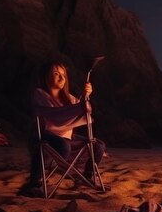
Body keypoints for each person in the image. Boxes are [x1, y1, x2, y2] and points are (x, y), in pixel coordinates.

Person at [20, 62, 106, 196]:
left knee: (98, 146)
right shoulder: (40, 94)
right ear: (46, 77)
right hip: (46, 138)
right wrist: (80, 108)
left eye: (63, 75)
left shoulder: (69, 99)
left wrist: (86, 95)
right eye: (56, 74)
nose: (61, 77)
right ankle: (34, 183)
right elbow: (58, 117)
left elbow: (84, 111)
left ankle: (87, 177)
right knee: (63, 145)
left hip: (66, 141)